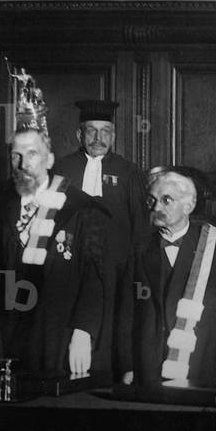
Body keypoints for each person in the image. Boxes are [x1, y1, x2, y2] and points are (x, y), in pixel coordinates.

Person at [0, 80, 108, 375]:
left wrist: (84, 330)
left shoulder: (80, 207)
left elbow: (95, 278)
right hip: (4, 334)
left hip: (58, 335)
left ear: (50, 159)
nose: (24, 163)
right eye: (16, 155)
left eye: (33, 154)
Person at [122, 171, 216, 385]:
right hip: (148, 364)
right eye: (151, 200)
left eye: (166, 200)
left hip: (203, 362)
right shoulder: (139, 248)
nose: (156, 208)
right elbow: (126, 312)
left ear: (188, 206)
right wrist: (127, 364)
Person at [53, 99, 150, 376]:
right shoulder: (62, 168)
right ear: (79, 135)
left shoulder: (129, 172)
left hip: (116, 270)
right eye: (92, 131)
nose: (99, 138)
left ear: (114, 136)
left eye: (105, 131)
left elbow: (141, 228)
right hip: (69, 266)